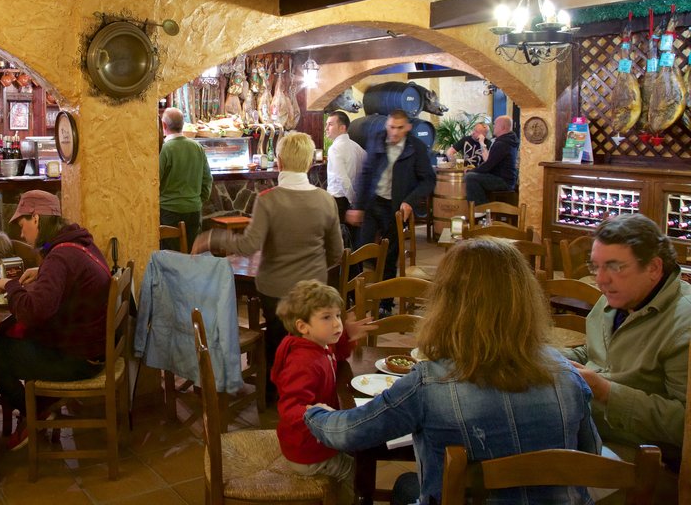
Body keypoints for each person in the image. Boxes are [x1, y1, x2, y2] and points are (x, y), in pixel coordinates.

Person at [305, 237, 601, 504]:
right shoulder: (567, 376)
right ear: (526, 300)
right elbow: (592, 457)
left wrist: (314, 413)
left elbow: (348, 434)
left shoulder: (430, 383)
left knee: (409, 485)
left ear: (446, 302)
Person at [192, 132, 342, 401]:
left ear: (280, 163)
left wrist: (213, 237)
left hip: (275, 289)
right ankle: (312, 390)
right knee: (310, 342)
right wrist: (314, 273)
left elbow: (249, 246)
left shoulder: (269, 199)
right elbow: (336, 253)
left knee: (278, 339)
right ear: (309, 164)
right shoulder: (325, 200)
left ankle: (275, 395)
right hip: (314, 290)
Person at [564, 214, 691, 464]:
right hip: (590, 427)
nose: (601, 280)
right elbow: (595, 353)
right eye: (595, 267)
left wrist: (606, 392)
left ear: (654, 268)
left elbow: (683, 424)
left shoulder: (683, 322)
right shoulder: (620, 294)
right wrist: (548, 357)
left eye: (615, 267)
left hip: (646, 459)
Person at [0, 190, 111, 449]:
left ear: (36, 218)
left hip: (77, 360)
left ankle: (34, 412)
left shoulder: (60, 256)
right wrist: (42, 271)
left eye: (22, 225)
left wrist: (9, 286)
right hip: (92, 349)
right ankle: (40, 406)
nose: (21, 234)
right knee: (2, 340)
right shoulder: (80, 243)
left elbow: (34, 311)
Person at [273, 280, 374, 503]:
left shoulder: (317, 344)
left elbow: (334, 355)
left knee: (356, 450)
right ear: (303, 326)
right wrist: (312, 411)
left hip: (314, 439)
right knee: (356, 470)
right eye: (327, 317)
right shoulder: (303, 363)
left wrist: (347, 337)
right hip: (307, 451)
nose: (337, 323)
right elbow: (289, 408)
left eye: (338, 315)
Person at [347, 109, 435, 317]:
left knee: (389, 254)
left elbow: (428, 180)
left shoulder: (417, 148)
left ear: (408, 128)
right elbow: (366, 174)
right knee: (362, 249)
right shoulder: (377, 140)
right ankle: (358, 296)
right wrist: (358, 206)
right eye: (391, 127)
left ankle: (385, 302)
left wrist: (410, 201)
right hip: (373, 203)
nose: (394, 133)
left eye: (399, 128)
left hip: (396, 208)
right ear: (386, 126)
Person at [159, 107, 212, 252]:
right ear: (183, 125)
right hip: (193, 210)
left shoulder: (165, 150)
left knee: (172, 258)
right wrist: (199, 200)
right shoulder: (197, 148)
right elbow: (207, 179)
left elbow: (156, 180)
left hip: (169, 212)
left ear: (163, 126)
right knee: (191, 255)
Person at [324, 110, 365, 248]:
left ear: (342, 128)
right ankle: (355, 268)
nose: (326, 128)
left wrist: (352, 200)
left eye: (330, 124)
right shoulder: (357, 147)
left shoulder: (334, 149)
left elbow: (343, 179)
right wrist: (356, 200)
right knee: (352, 242)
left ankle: (344, 269)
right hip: (353, 199)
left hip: (339, 201)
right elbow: (364, 171)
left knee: (339, 243)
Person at [464, 115, 519, 204]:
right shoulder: (508, 141)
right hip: (507, 179)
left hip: (504, 181)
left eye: (495, 125)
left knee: (470, 177)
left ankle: (481, 211)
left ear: (502, 127)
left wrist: (471, 171)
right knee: (473, 176)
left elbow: (488, 165)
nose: (493, 127)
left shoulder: (502, 143)